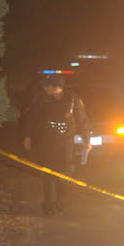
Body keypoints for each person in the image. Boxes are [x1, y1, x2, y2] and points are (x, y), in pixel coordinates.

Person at [22, 75, 90, 215]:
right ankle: (48, 205)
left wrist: (87, 140)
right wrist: (27, 136)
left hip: (65, 142)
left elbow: (83, 120)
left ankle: (61, 202)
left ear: (56, 87)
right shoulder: (41, 99)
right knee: (47, 173)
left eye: (47, 86)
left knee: (63, 174)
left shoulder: (72, 99)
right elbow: (31, 118)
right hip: (46, 141)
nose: (44, 88)